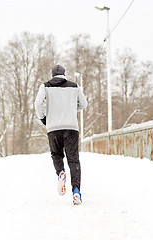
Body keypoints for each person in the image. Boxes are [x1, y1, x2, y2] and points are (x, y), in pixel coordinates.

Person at [35, 64, 88, 205]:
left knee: (56, 154)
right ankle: (76, 191)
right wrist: (70, 109)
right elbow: (83, 104)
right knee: (73, 160)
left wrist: (44, 118)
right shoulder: (74, 86)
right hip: (71, 127)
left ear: (52, 75)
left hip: (53, 127)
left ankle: (60, 173)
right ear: (65, 74)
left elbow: (37, 103)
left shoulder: (45, 86)